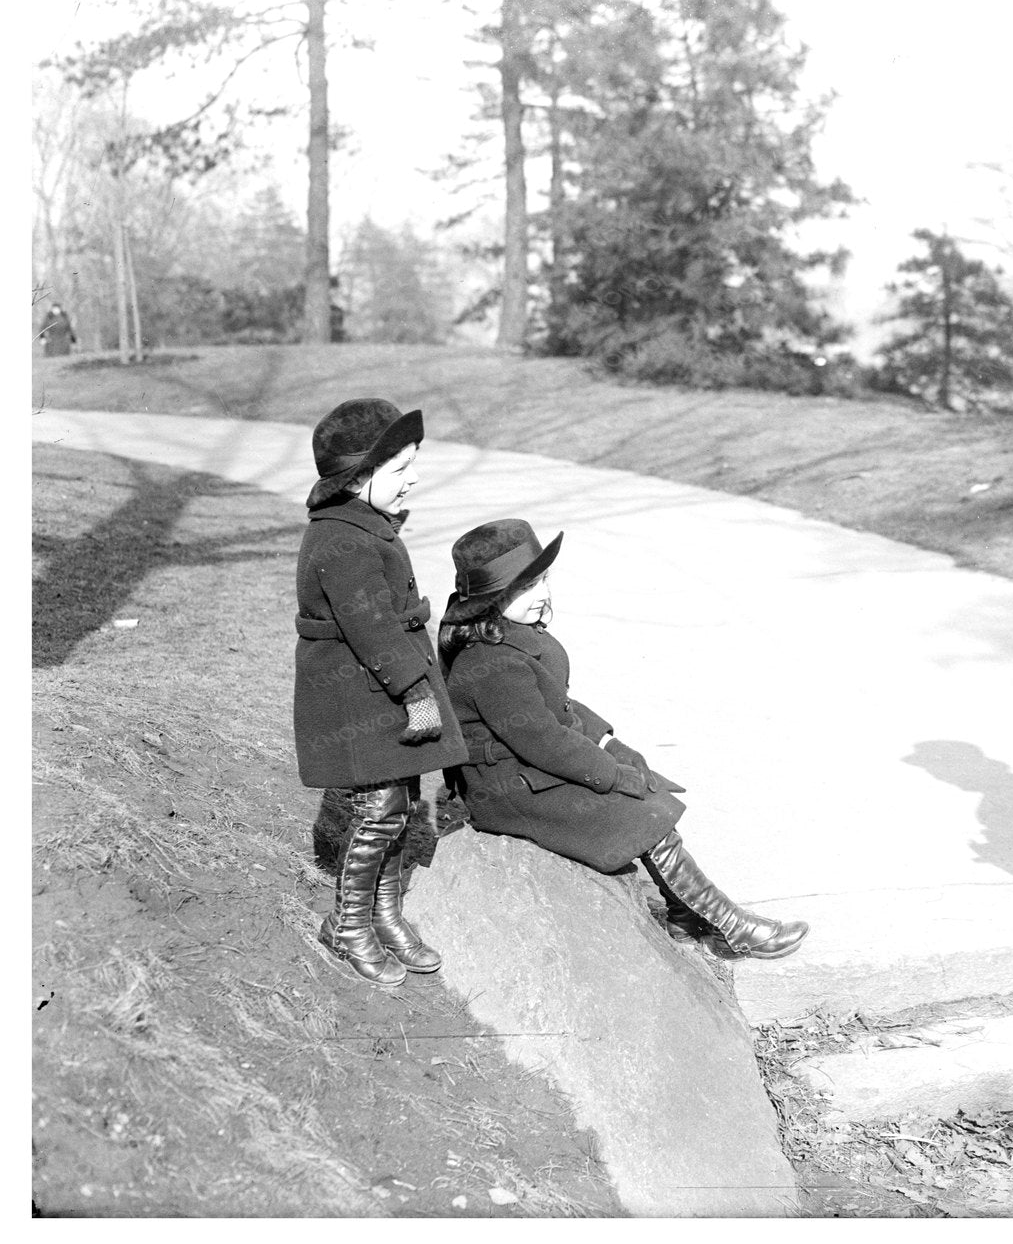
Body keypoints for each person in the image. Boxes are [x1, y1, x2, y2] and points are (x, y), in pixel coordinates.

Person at [438, 519, 808, 961]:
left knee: (646, 788)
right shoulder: (492, 664)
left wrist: (609, 743)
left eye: (541, 580)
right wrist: (610, 775)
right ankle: (726, 925)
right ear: (490, 603)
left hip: (527, 767)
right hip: (510, 787)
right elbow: (545, 740)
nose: (541, 594)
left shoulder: (515, 638)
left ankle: (687, 917)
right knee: (639, 811)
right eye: (523, 589)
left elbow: (558, 707)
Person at [294, 398, 467, 989]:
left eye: (413, 463)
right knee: (380, 810)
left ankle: (384, 914)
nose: (412, 477)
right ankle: (347, 924)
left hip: (381, 688)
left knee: (403, 802)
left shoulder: (364, 527)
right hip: (362, 695)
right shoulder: (340, 541)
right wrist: (418, 691)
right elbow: (371, 627)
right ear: (356, 480)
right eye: (399, 468)